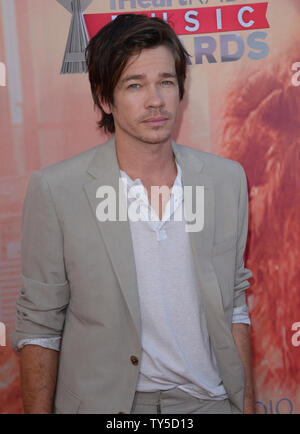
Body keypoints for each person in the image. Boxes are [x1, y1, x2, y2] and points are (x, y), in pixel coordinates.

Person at [10, 14, 254, 414]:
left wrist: (246, 406)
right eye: (135, 85)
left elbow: (235, 307)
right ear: (105, 99)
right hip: (105, 406)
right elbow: (40, 328)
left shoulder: (226, 181)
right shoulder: (57, 191)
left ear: (180, 91)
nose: (155, 100)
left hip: (206, 401)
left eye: (166, 82)